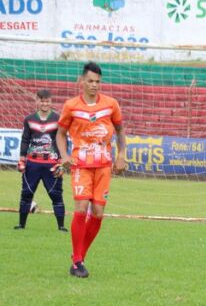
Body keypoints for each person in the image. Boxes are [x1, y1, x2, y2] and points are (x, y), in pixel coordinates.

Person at [56, 62, 127, 278]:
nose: (94, 85)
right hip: (80, 165)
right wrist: (65, 155)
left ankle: (78, 258)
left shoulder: (111, 104)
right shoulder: (71, 106)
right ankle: (78, 261)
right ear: (81, 82)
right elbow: (60, 134)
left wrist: (121, 155)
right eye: (90, 81)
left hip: (104, 166)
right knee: (81, 207)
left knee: (97, 213)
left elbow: (120, 130)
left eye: (98, 81)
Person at [15, 89, 67, 231]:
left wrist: (62, 161)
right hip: (32, 163)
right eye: (42, 101)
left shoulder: (59, 119)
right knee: (26, 193)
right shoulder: (29, 119)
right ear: (37, 101)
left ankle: (61, 226)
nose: (45, 103)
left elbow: (62, 139)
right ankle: (21, 224)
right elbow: (25, 139)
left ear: (51, 102)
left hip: (52, 164)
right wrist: (21, 159)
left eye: (47, 101)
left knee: (55, 194)